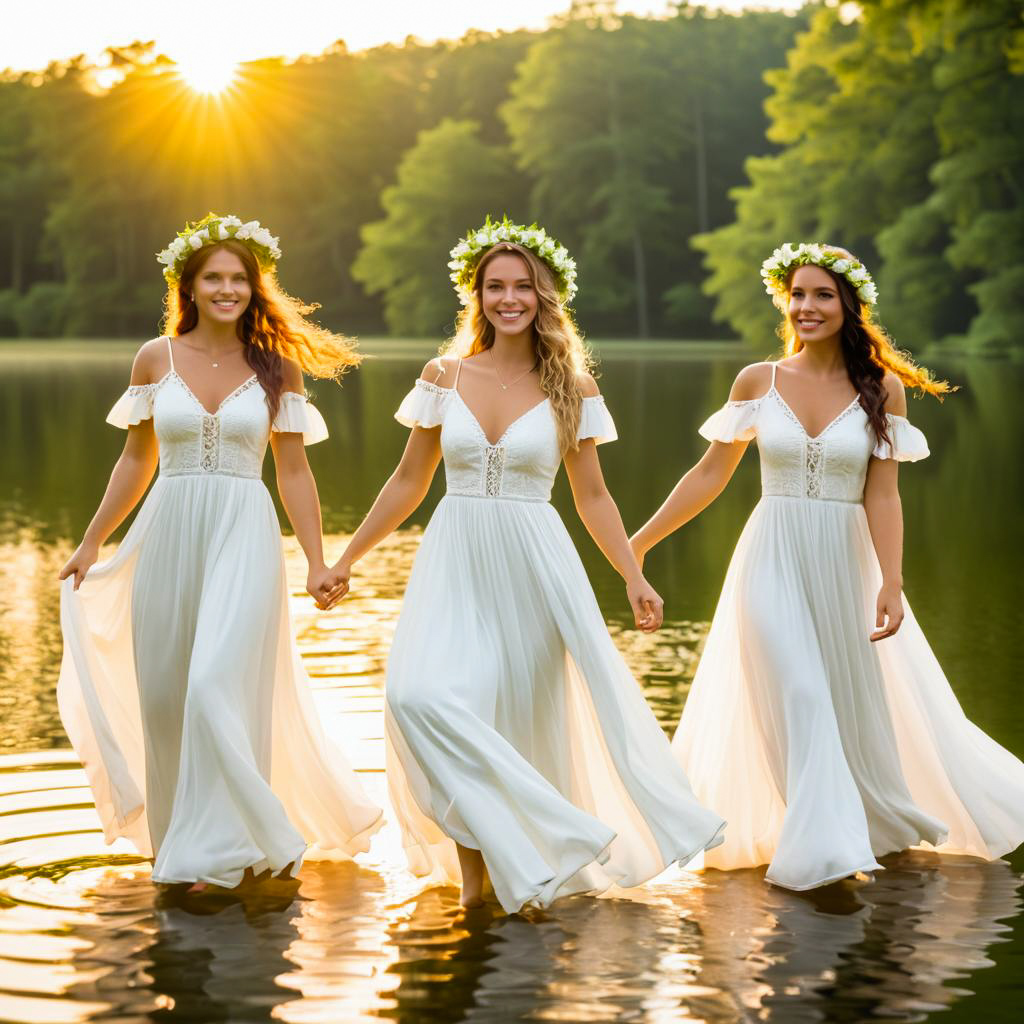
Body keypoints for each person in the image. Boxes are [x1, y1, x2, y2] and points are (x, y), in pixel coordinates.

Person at [321, 218, 725, 912]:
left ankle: (491, 888)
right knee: (417, 697)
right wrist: (348, 557)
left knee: (507, 722)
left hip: (536, 567)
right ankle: (548, 842)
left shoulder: (573, 386)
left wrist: (632, 573)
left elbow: (592, 495)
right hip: (454, 559)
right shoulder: (443, 376)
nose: (509, 299)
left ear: (544, 297)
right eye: (494, 287)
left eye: (522, 287)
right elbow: (408, 481)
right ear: (474, 296)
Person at [630, 242, 1024, 890]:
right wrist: (640, 544)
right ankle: (822, 855)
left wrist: (892, 581)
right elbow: (709, 474)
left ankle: (860, 829)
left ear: (849, 307)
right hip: (771, 557)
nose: (807, 306)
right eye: (798, 294)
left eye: (822, 295)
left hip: (847, 563)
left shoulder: (882, 391)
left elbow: (884, 493)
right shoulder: (759, 381)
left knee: (848, 701)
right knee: (803, 694)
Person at [57, 214, 382, 891]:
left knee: (217, 688)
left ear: (255, 287)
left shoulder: (275, 367)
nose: (228, 288)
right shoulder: (155, 358)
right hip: (167, 531)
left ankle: (242, 839)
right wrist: (92, 540)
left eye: (240, 278)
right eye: (215, 277)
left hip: (243, 531)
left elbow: (293, 471)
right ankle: (177, 855)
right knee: (167, 698)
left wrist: (319, 561)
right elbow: (135, 460)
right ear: (190, 285)